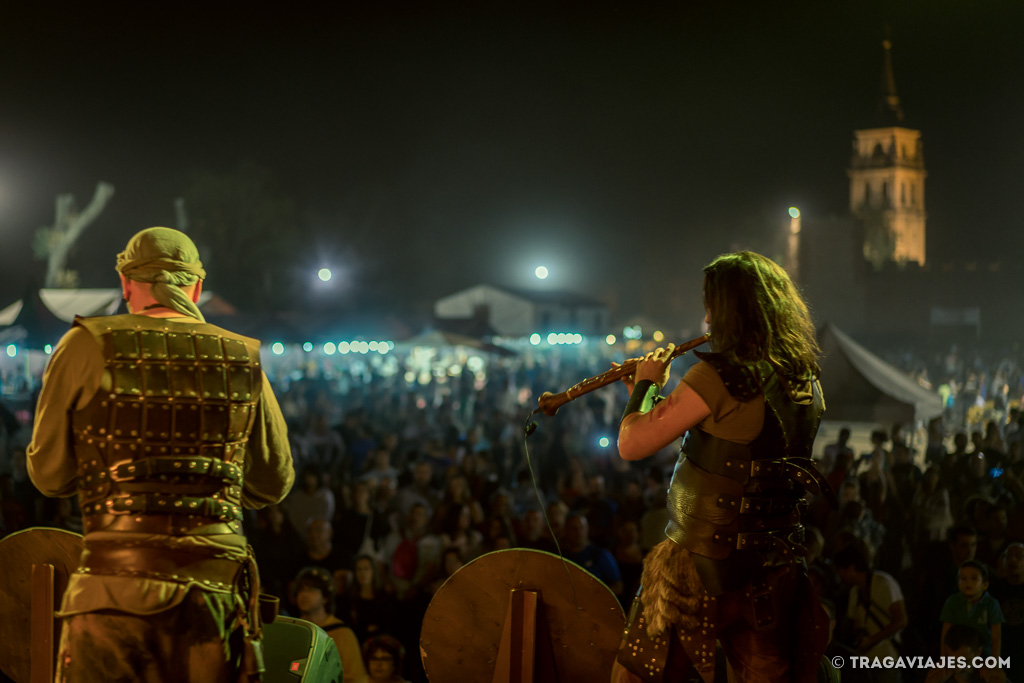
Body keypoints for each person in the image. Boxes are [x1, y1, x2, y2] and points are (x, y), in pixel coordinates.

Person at [27, 227, 294, 682]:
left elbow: (49, 475)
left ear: (127, 284)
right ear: (197, 287)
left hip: (110, 591)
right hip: (213, 594)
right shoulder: (242, 356)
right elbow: (273, 480)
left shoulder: (83, 343)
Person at [611, 251, 832, 683]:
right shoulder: (804, 378)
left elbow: (632, 444)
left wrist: (644, 387)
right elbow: (733, 434)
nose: (707, 319)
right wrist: (653, 395)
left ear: (729, 308)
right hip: (772, 567)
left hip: (701, 566)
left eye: (711, 304)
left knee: (636, 675)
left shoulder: (720, 376)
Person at [293, 566, 369, 683]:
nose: (304, 595)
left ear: (325, 597)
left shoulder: (341, 632)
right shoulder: (295, 629)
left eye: (311, 590)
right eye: (301, 590)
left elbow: (355, 676)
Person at [940, 560, 1003, 658]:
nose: (968, 582)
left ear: (985, 585)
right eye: (963, 578)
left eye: (974, 578)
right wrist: (943, 659)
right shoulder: (952, 601)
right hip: (956, 654)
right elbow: (945, 633)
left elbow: (996, 637)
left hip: (984, 654)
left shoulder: (991, 604)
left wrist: (995, 662)